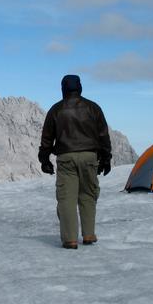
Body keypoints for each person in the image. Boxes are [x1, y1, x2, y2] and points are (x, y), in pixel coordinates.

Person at [38, 75, 111, 249]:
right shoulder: (93, 108)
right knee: (88, 195)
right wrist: (106, 158)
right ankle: (88, 235)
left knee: (67, 199)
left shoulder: (56, 110)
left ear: (63, 88)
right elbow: (103, 135)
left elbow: (47, 139)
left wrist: (44, 159)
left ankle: (70, 239)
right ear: (80, 88)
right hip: (89, 157)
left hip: (66, 158)